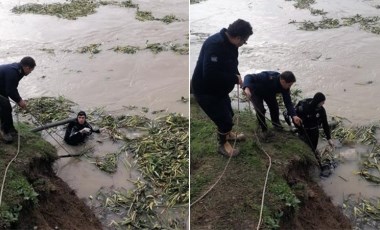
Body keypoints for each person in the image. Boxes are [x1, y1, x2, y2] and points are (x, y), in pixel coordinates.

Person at [191, 19, 253, 157]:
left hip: (219, 89)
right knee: (223, 120)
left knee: (229, 114)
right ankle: (223, 145)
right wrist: (233, 78)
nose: (243, 44)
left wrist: (237, 75)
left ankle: (229, 134)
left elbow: (232, 63)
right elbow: (210, 74)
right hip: (205, 90)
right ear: (238, 37)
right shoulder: (214, 45)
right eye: (244, 41)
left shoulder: (231, 45)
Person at [243, 71, 302, 140]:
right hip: (255, 91)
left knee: (274, 107)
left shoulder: (285, 88)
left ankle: (276, 125)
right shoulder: (266, 77)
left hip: (269, 93)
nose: (290, 87)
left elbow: (288, 103)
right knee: (261, 110)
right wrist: (246, 88)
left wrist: (294, 116)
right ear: (283, 81)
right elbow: (248, 76)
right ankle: (264, 130)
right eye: (289, 85)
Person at [0, 56, 36, 143]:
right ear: (27, 67)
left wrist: (18, 99)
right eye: (31, 70)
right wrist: (19, 100)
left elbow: (12, 87)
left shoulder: (19, 70)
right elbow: (10, 90)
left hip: (1, 86)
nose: (31, 72)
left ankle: (10, 128)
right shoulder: (13, 72)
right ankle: (4, 132)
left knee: (6, 108)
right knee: (6, 108)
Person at [293, 92, 334, 166]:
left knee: (313, 147)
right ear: (317, 102)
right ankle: (306, 162)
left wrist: (329, 138)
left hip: (315, 130)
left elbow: (325, 124)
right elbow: (294, 117)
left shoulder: (321, 110)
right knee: (306, 148)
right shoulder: (304, 107)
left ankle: (314, 158)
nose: (323, 104)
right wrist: (299, 128)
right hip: (304, 131)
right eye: (322, 102)